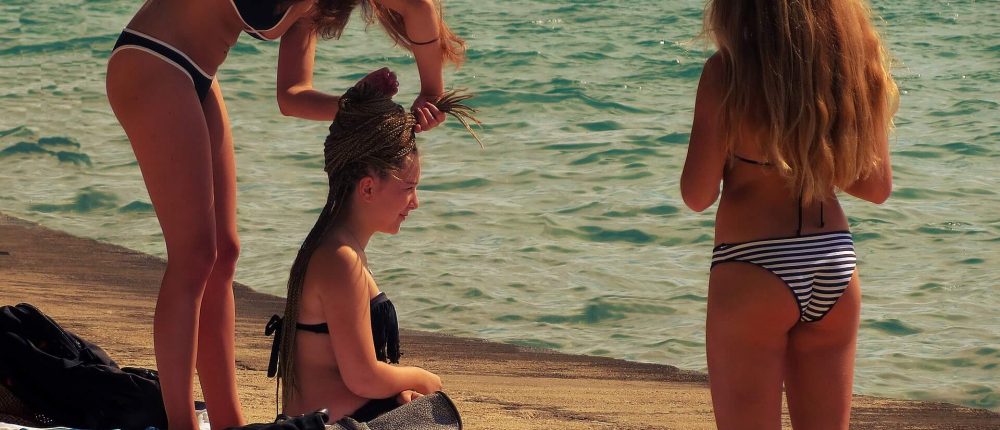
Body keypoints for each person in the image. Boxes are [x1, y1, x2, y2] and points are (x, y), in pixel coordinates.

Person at [105, 1, 465, 429]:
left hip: (197, 74)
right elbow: (417, 7)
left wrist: (413, 96)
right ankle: (180, 425)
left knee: (224, 254)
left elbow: (291, 95)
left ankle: (229, 423)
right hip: (153, 59)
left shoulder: (318, 5)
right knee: (195, 256)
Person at [680, 0, 898, 428]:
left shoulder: (727, 73)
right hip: (833, 263)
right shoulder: (852, 66)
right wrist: (811, 151)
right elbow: (877, 188)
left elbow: (697, 195)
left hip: (754, 266)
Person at [263, 79, 479, 421]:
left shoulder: (338, 249)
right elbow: (362, 376)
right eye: (409, 188)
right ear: (367, 188)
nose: (415, 202)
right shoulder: (340, 259)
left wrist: (398, 391)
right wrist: (423, 378)